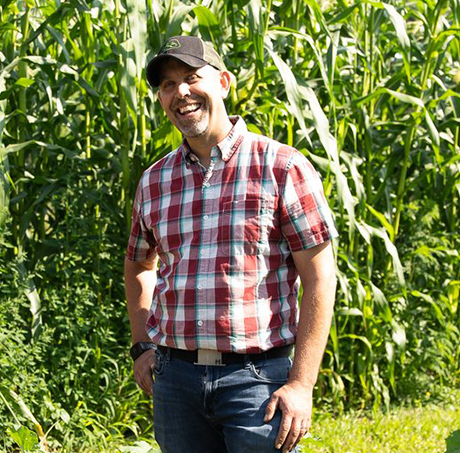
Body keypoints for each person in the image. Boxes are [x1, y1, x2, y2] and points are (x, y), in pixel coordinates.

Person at [124, 35, 339, 453]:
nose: (180, 93)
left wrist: (301, 383)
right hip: (176, 382)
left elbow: (320, 278)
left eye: (191, 78)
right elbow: (139, 265)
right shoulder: (154, 181)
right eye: (167, 85)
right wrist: (141, 344)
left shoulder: (282, 167)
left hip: (257, 382)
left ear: (222, 81)